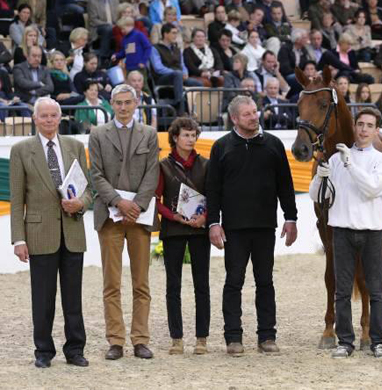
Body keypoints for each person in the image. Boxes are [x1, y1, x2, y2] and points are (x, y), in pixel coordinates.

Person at [206, 95, 298, 356]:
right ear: (234, 118)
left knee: (265, 281)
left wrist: (291, 218)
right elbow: (213, 189)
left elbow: (285, 185)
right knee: (234, 282)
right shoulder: (221, 147)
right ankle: (233, 337)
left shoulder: (274, 144)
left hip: (265, 226)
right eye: (247, 114)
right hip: (234, 228)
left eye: (255, 112)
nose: (254, 117)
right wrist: (214, 223)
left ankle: (267, 336)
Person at [10, 97, 92, 368]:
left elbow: (88, 189)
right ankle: (43, 351)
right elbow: (16, 197)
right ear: (35, 119)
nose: (48, 120)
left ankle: (75, 349)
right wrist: (19, 239)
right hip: (38, 234)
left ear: (60, 118)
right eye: (43, 116)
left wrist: (81, 203)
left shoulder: (76, 147)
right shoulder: (21, 150)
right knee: (42, 298)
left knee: (73, 298)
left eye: (53, 116)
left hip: (72, 232)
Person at [308, 107, 382, 359]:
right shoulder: (336, 160)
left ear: (376, 131)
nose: (364, 129)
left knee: (376, 290)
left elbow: (372, 188)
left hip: (372, 231)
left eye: (369, 125)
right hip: (342, 231)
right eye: (360, 124)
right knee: (342, 291)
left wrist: (349, 164)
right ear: (354, 127)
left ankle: (378, 341)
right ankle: (345, 341)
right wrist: (319, 177)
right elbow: (318, 196)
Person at [89, 83, 159, 361]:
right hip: (110, 216)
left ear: (136, 103)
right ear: (111, 104)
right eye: (118, 102)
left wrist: (137, 206)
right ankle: (115, 340)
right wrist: (119, 202)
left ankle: (141, 339)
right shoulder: (97, 134)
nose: (123, 107)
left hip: (139, 217)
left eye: (128, 102)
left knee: (141, 282)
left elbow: (152, 173)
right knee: (111, 282)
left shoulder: (150, 134)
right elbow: (95, 174)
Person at [155, 117, 211, 355]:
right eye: (186, 135)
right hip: (174, 230)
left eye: (193, 135)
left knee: (202, 285)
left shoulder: (206, 165)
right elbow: (155, 200)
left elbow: (214, 196)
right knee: (173, 285)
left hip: (199, 230)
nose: (191, 139)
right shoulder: (163, 166)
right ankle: (176, 338)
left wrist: (205, 217)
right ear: (175, 138)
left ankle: (202, 338)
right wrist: (173, 216)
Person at [150, 23, 203, 114]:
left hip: (178, 77)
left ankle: (195, 110)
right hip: (162, 78)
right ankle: (180, 105)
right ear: (165, 34)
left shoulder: (177, 49)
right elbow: (158, 68)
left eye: (176, 33)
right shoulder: (155, 48)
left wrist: (185, 72)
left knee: (198, 83)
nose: (176, 36)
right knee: (178, 74)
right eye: (173, 33)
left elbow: (182, 64)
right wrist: (177, 72)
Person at [87, 0, 119, 66]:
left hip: (115, 25)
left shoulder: (115, 1)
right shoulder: (93, 2)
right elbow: (93, 20)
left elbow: (118, 17)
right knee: (108, 29)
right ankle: (104, 57)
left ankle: (120, 55)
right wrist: (109, 25)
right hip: (98, 27)